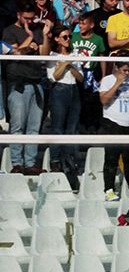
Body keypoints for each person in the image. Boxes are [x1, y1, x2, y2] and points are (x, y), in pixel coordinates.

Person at [4, 2, 51, 175]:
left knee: (34, 127)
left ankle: (30, 162)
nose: (29, 21)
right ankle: (17, 163)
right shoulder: (9, 32)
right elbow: (13, 53)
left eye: (32, 18)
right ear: (18, 15)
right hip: (18, 85)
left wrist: (44, 36)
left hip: (36, 83)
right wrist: (29, 38)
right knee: (17, 126)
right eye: (26, 18)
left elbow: (44, 54)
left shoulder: (38, 30)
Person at [98, 57, 129, 201]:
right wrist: (118, 83)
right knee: (111, 159)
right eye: (124, 70)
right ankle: (109, 189)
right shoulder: (107, 80)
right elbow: (103, 100)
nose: (127, 73)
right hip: (112, 123)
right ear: (116, 68)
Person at [47, 24, 82, 179]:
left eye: (70, 37)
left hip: (74, 90)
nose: (68, 40)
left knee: (72, 129)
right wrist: (67, 63)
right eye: (65, 37)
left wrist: (68, 64)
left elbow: (81, 78)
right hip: (59, 90)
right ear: (57, 39)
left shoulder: (74, 54)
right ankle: (55, 160)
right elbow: (54, 76)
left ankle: (69, 159)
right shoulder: (53, 55)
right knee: (57, 127)